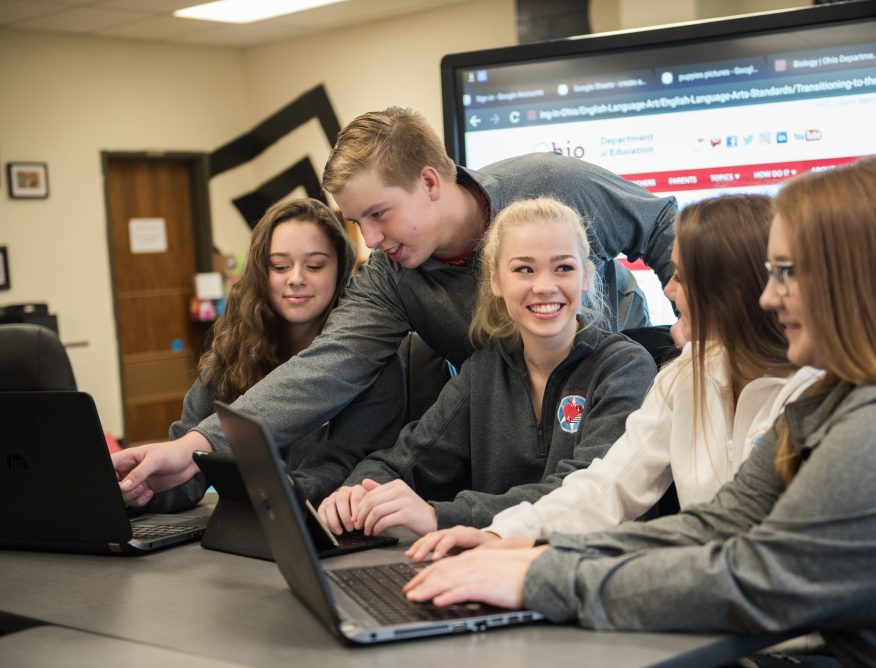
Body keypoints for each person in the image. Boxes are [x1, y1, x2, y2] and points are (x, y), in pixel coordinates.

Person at [403, 156, 876, 665]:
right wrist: (524, 547)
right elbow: (713, 527)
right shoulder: (838, 399)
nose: (769, 296)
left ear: (866, 281)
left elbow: (755, 578)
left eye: (786, 274)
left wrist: (541, 576)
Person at [114, 106, 677, 505]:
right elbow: (328, 364)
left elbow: (663, 227)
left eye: (379, 214)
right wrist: (198, 444)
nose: (371, 239)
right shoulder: (393, 275)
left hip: (604, 413)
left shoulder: (551, 188)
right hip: (504, 446)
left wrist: (703, 338)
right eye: (358, 222)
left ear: (430, 181)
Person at [406, 194, 823, 561]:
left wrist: (544, 570)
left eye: (680, 276)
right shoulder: (684, 376)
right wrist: (502, 535)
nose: (669, 290)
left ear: (730, 288)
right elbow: (610, 486)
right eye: (524, 270)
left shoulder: (816, 390)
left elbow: (747, 550)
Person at [315, 196, 657, 537]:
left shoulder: (624, 368)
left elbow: (581, 494)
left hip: (582, 573)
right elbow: (407, 460)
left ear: (586, 276)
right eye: (524, 269)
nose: (544, 286)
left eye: (564, 267)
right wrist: (356, 492)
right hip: (487, 571)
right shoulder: (484, 371)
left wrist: (440, 516)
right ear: (495, 281)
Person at [113, 198, 405, 509]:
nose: (295, 278)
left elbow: (343, 469)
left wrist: (271, 490)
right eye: (279, 266)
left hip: (321, 532)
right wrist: (140, 490)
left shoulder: (373, 361)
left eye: (315, 265)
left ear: (340, 270)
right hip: (240, 528)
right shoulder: (234, 347)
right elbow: (190, 460)